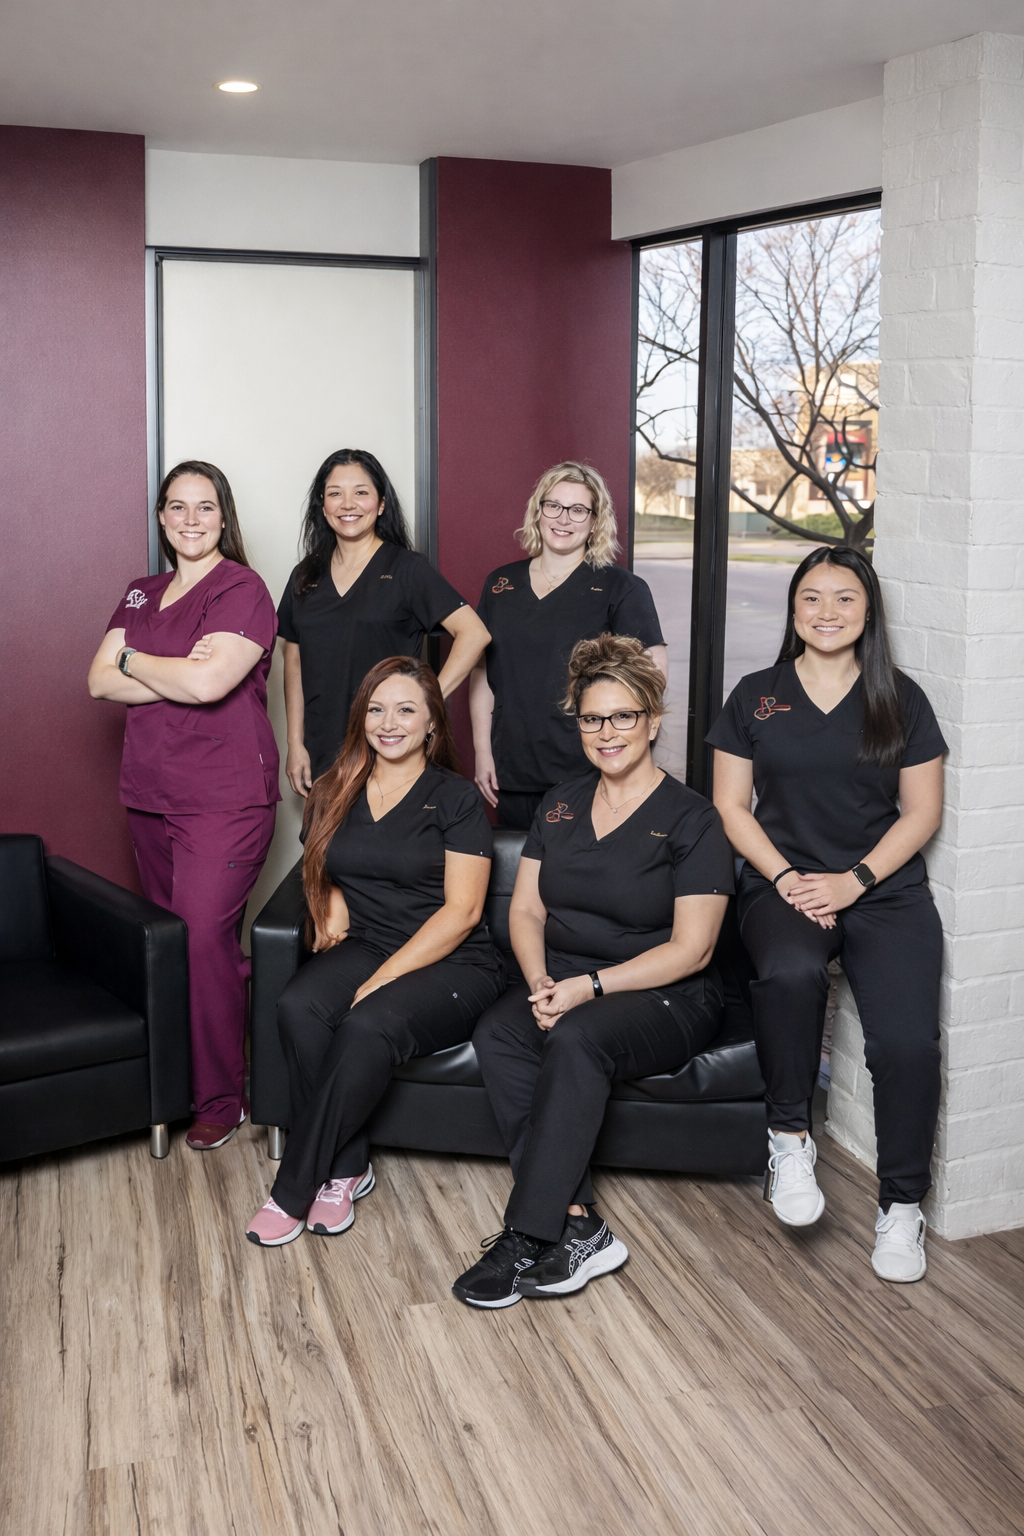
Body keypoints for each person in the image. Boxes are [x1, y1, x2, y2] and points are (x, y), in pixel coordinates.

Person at [453, 636, 732, 1308]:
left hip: (666, 994)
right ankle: (577, 1222)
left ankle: (527, 1231)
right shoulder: (559, 804)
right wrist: (543, 982)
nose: (606, 733)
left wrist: (590, 988)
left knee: (578, 1037)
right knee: (502, 1031)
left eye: (623, 717)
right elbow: (525, 911)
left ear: (654, 721)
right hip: (569, 980)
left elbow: (693, 950)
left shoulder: (693, 819)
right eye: (591, 718)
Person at [707, 546, 946, 1284]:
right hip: (783, 885)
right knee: (790, 973)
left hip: (886, 891)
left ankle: (903, 1207)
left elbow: (922, 811)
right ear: (792, 609)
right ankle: (789, 1139)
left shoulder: (900, 698)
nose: (827, 612)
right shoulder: (756, 694)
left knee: (906, 1045)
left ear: (868, 611)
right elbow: (728, 805)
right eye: (811, 598)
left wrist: (854, 880)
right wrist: (783, 877)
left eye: (844, 598)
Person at [246, 656, 506, 1246]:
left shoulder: (456, 799)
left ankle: (293, 1188)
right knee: (297, 1007)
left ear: (432, 725)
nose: (389, 722)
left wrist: (383, 978)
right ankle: (347, 1165)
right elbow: (327, 863)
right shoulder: (341, 783)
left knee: (366, 1025)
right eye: (377, 709)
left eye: (406, 709)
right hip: (369, 944)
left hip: (454, 961)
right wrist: (329, 899)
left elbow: (463, 912)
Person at [88, 460, 280, 1149]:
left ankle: (222, 1099)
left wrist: (136, 662)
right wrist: (165, 668)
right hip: (149, 796)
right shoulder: (141, 593)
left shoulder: (244, 588)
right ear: (162, 517)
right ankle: (186, 1080)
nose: (191, 520)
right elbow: (96, 681)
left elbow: (209, 685)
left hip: (225, 799)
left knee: (203, 938)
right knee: (179, 946)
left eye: (205, 508)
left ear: (224, 517)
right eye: (177, 507)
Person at [278, 449, 489, 795]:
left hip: (392, 746)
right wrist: (295, 742)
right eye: (335, 494)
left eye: (361, 492)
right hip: (323, 750)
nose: (348, 504)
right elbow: (293, 658)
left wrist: (424, 702)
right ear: (322, 505)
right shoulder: (305, 576)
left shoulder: (408, 569)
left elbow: (474, 633)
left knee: (389, 846)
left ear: (380, 504)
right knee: (327, 847)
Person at [470, 462, 667, 830]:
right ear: (538, 510)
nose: (564, 518)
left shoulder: (620, 588)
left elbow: (651, 677)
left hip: (589, 769)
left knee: (579, 881)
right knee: (520, 877)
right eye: (554, 506)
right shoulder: (500, 584)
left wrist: (622, 756)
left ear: (595, 521)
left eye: (578, 510)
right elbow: (482, 673)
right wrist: (483, 751)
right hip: (514, 770)